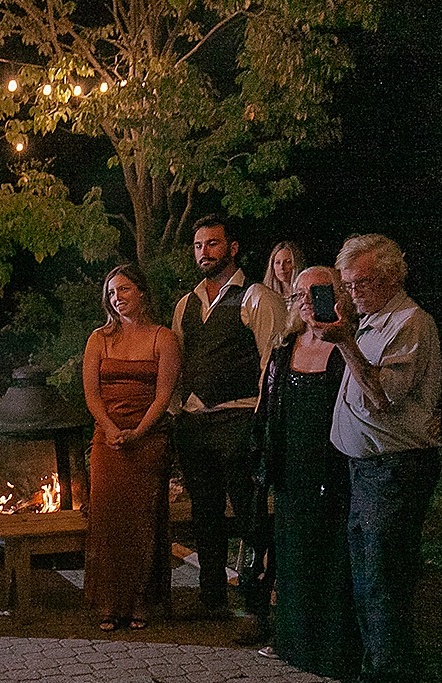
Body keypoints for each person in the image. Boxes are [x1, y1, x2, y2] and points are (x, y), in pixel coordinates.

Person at [310, 234, 441, 683]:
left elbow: (382, 396)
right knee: (367, 574)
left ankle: (385, 681)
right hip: (365, 468)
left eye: (361, 283)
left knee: (383, 576)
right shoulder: (367, 322)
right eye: (347, 284)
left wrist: (344, 342)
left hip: (395, 468)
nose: (352, 292)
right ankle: (384, 667)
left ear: (390, 277)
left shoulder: (410, 324)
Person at [170, 216, 287, 624]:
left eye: (213, 244)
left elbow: (271, 367)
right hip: (195, 422)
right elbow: (178, 365)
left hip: (240, 418)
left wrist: (260, 423)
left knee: (249, 515)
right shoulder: (186, 304)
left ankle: (257, 601)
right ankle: (212, 600)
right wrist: (175, 413)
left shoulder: (255, 298)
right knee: (204, 515)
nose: (205, 252)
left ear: (232, 247)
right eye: (199, 246)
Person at [252, 267, 360, 679]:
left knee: (330, 554)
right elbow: (269, 405)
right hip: (292, 466)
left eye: (314, 291)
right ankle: (293, 642)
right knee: (293, 552)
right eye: (298, 293)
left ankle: (332, 650)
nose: (303, 300)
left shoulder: (348, 342)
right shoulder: (286, 346)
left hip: (334, 464)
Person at [81, 265, 180, 631]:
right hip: (108, 440)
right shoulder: (99, 338)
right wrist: (110, 429)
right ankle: (110, 602)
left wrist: (138, 431)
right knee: (108, 520)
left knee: (143, 518)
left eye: (123, 289)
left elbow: (164, 394)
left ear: (141, 292)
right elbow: (91, 393)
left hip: (148, 437)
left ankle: (140, 601)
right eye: (110, 293)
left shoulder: (163, 338)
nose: (116, 298)